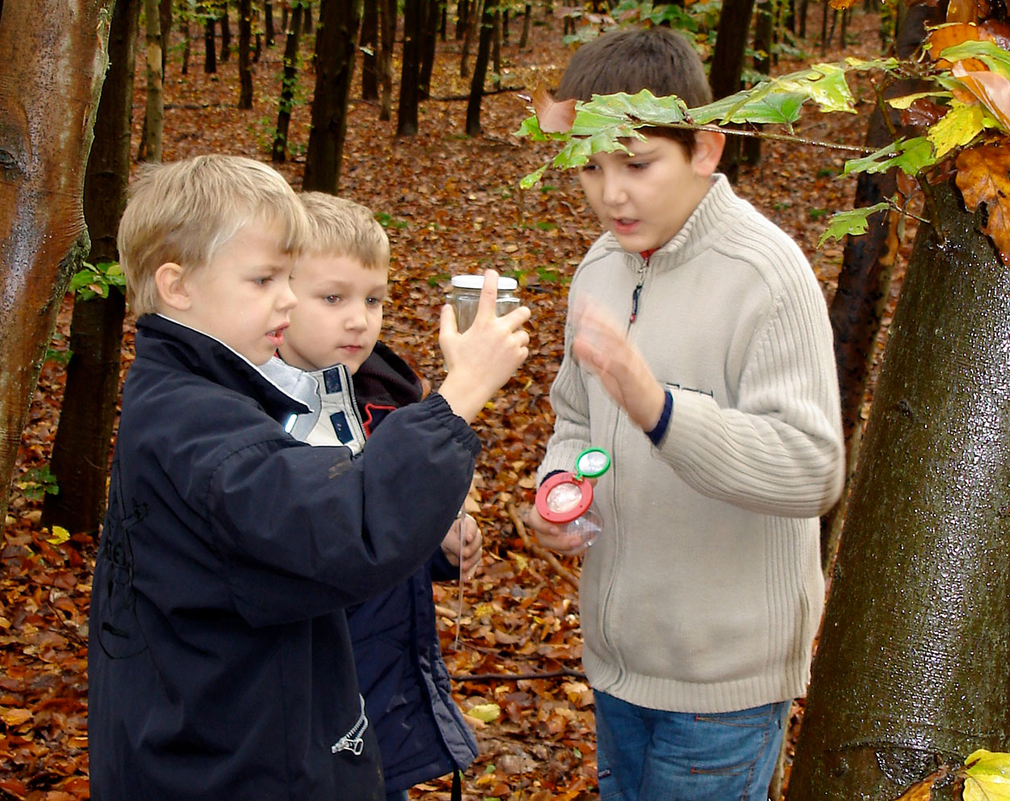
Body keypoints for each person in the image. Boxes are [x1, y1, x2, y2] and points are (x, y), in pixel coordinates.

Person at [88, 155, 530, 800]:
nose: (287, 300)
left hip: (235, 739)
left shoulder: (198, 396)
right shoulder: (195, 423)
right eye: (265, 279)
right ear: (178, 286)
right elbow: (340, 530)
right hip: (229, 763)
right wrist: (458, 396)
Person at [523, 27, 845, 801]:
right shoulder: (600, 266)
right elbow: (574, 417)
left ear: (705, 148)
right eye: (591, 168)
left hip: (721, 689)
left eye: (636, 164)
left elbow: (811, 467)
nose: (611, 194)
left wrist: (661, 409)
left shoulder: (765, 276)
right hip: (617, 662)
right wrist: (558, 486)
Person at [259, 191, 481, 801]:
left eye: (374, 299)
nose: (360, 319)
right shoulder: (256, 415)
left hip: (381, 694)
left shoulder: (386, 399)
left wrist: (441, 541)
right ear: (278, 293)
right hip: (298, 705)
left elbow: (391, 526)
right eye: (333, 298)